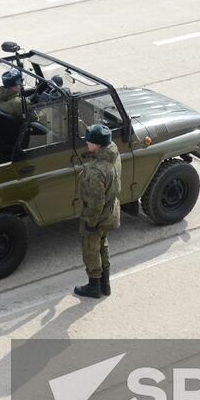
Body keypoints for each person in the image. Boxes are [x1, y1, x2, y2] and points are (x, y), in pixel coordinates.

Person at [74, 123, 120, 299]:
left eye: (89, 141)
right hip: (110, 211)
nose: (87, 143)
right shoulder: (113, 154)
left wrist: (90, 223)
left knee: (90, 248)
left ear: (97, 145)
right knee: (103, 244)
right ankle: (105, 284)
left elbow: (95, 202)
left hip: (97, 216)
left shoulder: (95, 171)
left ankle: (94, 286)